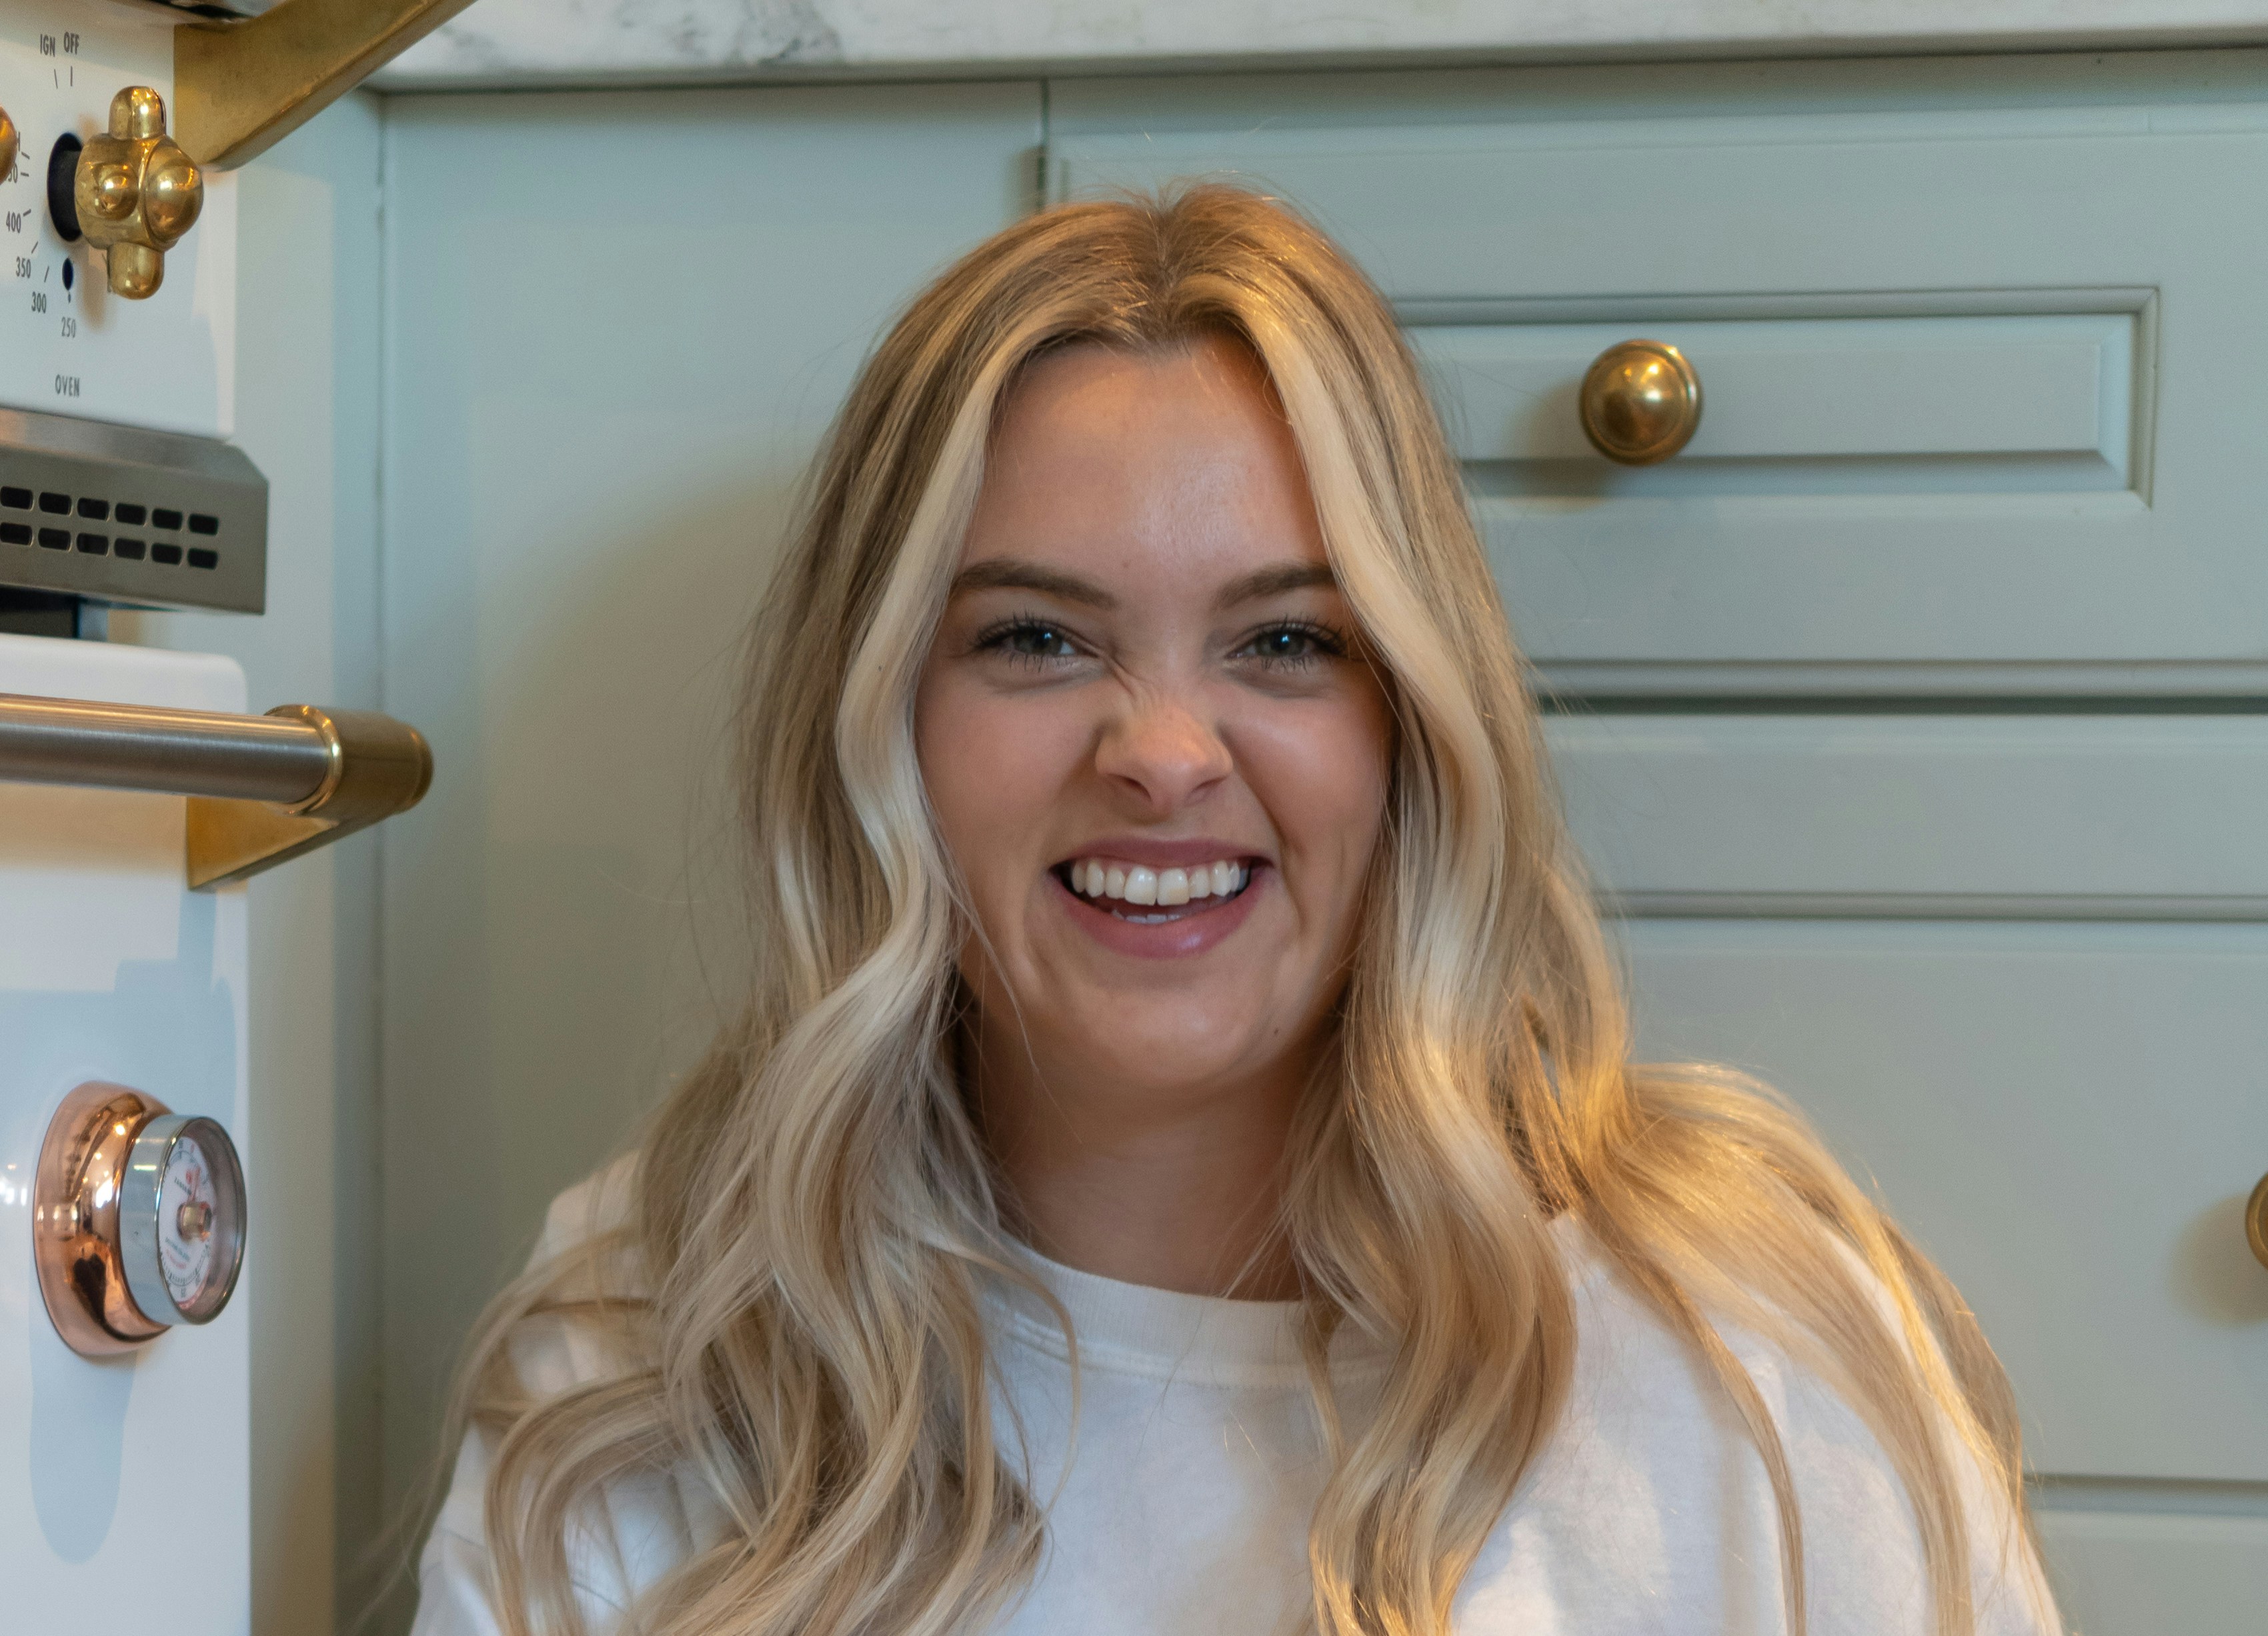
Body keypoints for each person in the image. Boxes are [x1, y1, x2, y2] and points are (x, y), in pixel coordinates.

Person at [407, 186, 2061, 1636]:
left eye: (1285, 643)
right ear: (881, 724)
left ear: (1413, 726)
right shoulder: (658, 1328)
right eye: (1036, 640)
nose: (1164, 755)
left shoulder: (1751, 1353)